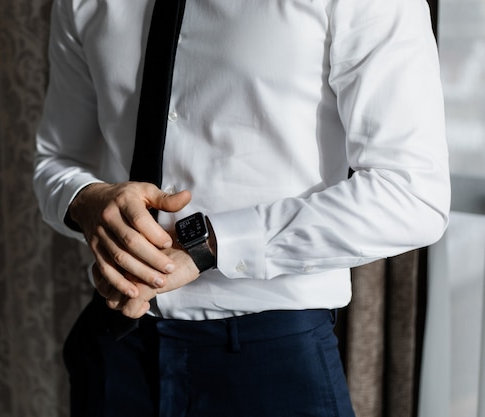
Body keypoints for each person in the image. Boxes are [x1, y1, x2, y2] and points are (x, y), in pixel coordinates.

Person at [34, 0, 450, 416]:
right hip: (117, 350)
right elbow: (56, 159)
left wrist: (211, 244)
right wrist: (86, 200)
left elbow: (412, 193)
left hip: (271, 364)